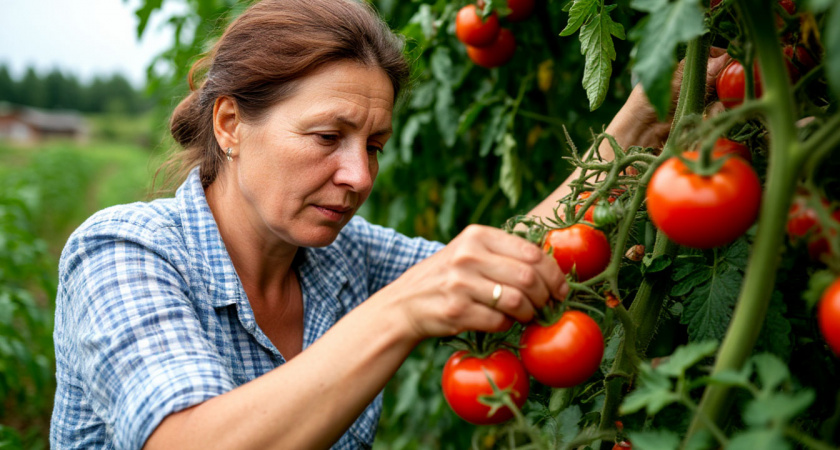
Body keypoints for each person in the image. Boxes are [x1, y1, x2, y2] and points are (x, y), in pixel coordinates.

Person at [49, 0, 729, 448]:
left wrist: (642, 117)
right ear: (230, 124)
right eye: (327, 137)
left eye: (372, 145)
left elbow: (506, 260)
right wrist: (402, 310)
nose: (361, 177)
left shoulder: (338, 255)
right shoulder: (123, 251)